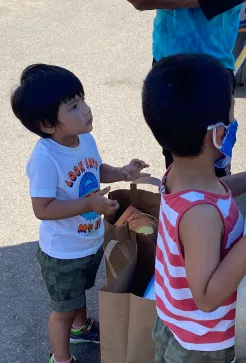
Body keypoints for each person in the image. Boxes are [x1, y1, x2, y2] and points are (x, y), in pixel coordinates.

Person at [142, 53, 246, 363]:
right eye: (232, 110)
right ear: (218, 134)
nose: (234, 119)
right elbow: (206, 296)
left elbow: (221, 191)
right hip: (202, 342)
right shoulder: (200, 213)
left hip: (177, 323)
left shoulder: (182, 174)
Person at [11, 64, 149, 363]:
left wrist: (123, 172)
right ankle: (61, 358)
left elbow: (95, 169)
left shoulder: (84, 138)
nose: (86, 110)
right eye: (73, 106)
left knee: (80, 294)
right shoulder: (45, 159)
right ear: (47, 125)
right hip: (62, 252)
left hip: (87, 240)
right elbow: (42, 209)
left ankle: (81, 327)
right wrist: (88, 205)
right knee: (63, 309)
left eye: (82, 100)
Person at [127, 0, 245, 177]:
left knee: (212, 157)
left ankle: (210, 200)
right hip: (166, 61)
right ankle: (178, 200)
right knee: (175, 154)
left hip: (210, 75)